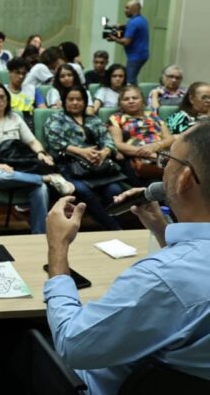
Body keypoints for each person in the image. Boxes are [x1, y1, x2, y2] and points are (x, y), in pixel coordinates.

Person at [44, 122, 210, 394]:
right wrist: (161, 229)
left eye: (167, 159)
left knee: (3, 334)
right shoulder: (174, 273)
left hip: (113, 382)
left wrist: (58, 247)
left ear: (185, 179)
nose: (162, 167)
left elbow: (72, 345)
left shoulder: (161, 277)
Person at [0, 83, 74, 234]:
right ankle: (48, 178)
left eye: (2, 97)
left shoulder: (15, 118)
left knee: (40, 189)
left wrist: (41, 153)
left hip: (21, 167)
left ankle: (39, 235)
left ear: (7, 99)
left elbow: (32, 141)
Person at [44, 86, 123, 230]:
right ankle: (114, 229)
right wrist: (82, 152)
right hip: (70, 166)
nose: (75, 102)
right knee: (83, 190)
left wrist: (103, 153)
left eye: (79, 99)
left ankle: (111, 226)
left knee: (114, 190)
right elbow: (54, 142)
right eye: (71, 99)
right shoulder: (56, 118)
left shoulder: (93, 120)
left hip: (97, 166)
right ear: (64, 101)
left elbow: (108, 140)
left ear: (85, 101)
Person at [108, 85, 174, 186]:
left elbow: (169, 138)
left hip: (160, 153)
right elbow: (118, 144)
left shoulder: (153, 116)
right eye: (126, 99)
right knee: (156, 184)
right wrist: (146, 152)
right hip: (136, 157)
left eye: (135, 98)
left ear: (142, 100)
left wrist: (155, 147)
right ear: (120, 103)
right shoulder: (116, 118)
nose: (131, 101)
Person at [108, 0, 150, 84]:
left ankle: (134, 96)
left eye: (127, 8)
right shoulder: (141, 19)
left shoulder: (133, 23)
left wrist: (113, 38)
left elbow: (126, 42)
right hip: (143, 54)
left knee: (129, 80)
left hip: (136, 57)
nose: (125, 10)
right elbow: (134, 27)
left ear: (134, 9)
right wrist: (121, 26)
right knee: (132, 78)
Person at [5, 57, 41, 128]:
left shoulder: (32, 89)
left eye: (23, 73)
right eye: (17, 72)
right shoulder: (2, 91)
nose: (21, 76)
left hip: (30, 124)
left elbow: (42, 108)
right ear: (9, 72)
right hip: (10, 124)